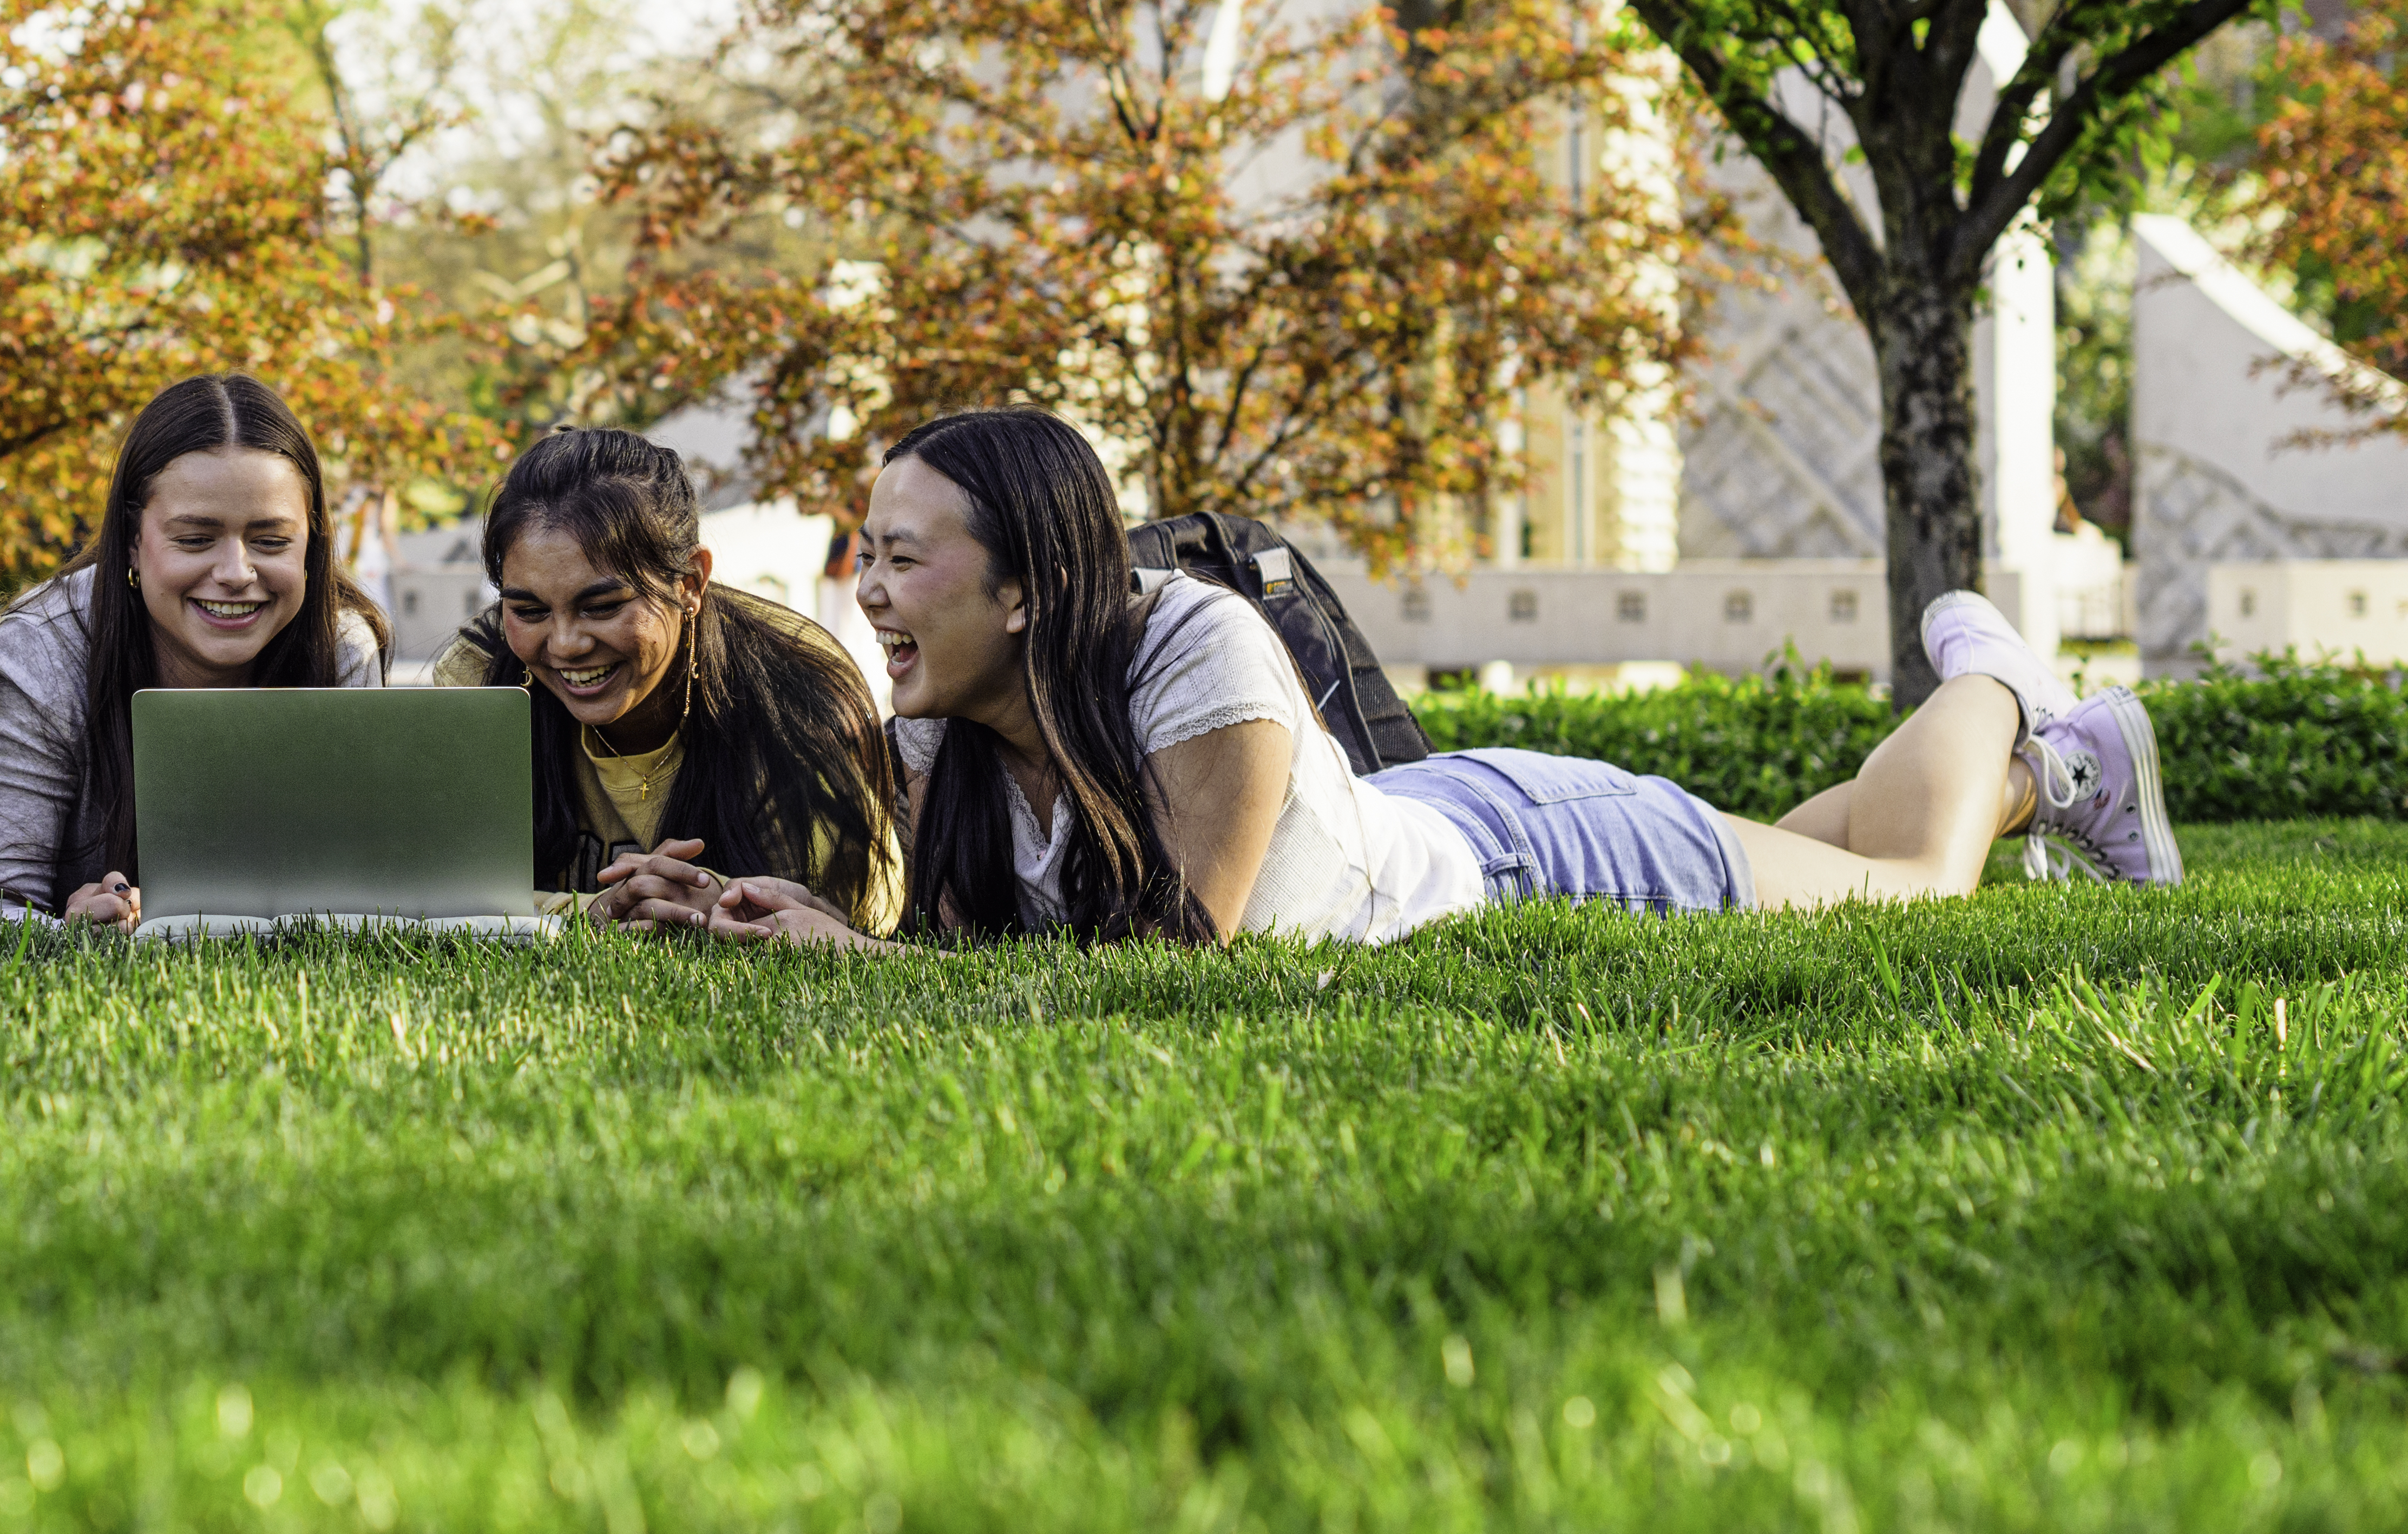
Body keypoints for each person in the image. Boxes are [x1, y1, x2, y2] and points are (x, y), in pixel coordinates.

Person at [632, 406, 2174, 952]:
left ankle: (2012, 709)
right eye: (865, 553)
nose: (868, 592)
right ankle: (2063, 762)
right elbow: (987, 976)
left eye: (903, 557)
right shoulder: (946, 737)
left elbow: (1175, 959)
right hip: (1442, 811)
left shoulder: (1191, 649)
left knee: (1903, 878)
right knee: (1818, 850)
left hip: (1539, 852)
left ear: (1028, 580)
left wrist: (863, 971)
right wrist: (811, 925)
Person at [0, 373, 386, 928]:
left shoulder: (341, 648)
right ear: (133, 540)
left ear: (312, 542)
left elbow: (362, 896)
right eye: (195, 539)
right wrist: (69, 931)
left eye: (271, 541)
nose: (236, 573)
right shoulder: (42, 650)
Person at [427, 427, 906, 930]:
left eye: (602, 607)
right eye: (528, 611)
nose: (565, 643)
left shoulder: (790, 686)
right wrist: (592, 912)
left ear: (691, 583)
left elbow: (859, 912)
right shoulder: (481, 671)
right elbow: (426, 887)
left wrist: (708, 902)